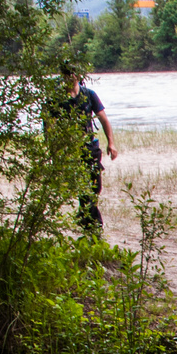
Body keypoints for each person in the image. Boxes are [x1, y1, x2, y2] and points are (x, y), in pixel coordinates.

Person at [57, 69, 119, 232]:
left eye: (72, 74)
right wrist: (55, 153)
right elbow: (50, 126)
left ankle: (85, 219)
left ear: (78, 76)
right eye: (66, 75)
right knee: (82, 189)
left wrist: (111, 143)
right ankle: (93, 224)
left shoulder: (89, 94)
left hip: (91, 148)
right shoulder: (57, 98)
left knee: (95, 187)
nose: (69, 78)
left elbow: (104, 119)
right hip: (71, 150)